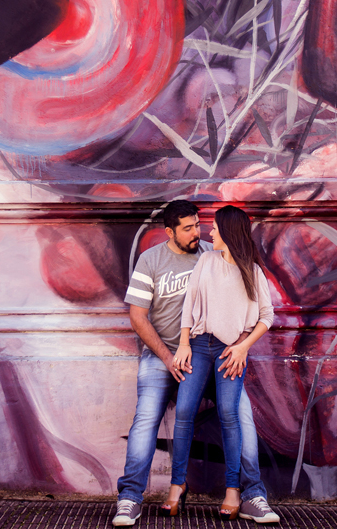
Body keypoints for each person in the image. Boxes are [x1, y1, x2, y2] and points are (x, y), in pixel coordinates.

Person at [113, 200, 280, 526]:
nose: (198, 233)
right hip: (164, 355)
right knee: (146, 419)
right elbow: (137, 316)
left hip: (214, 353)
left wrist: (240, 344)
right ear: (169, 232)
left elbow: (252, 305)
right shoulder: (151, 260)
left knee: (241, 416)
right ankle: (130, 497)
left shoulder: (213, 252)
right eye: (188, 228)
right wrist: (168, 355)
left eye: (199, 226)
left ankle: (251, 494)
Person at [164, 205, 274, 521]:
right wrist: (183, 343)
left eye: (215, 228)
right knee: (184, 411)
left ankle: (232, 491)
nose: (209, 232)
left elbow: (267, 316)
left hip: (231, 351)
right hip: (199, 345)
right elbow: (190, 303)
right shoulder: (207, 261)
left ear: (228, 232)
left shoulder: (252, 271)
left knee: (229, 414)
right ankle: (177, 485)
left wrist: (243, 348)